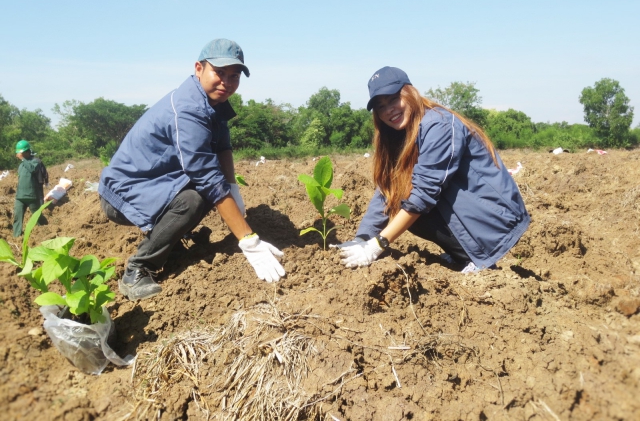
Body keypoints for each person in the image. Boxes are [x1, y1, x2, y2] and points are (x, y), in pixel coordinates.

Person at [99, 39, 285, 301]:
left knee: (210, 194)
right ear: (199, 68)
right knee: (194, 200)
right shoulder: (189, 109)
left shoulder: (213, 102)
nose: (226, 82)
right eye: (219, 72)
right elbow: (206, 176)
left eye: (234, 76)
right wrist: (249, 241)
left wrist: (233, 188)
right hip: (124, 194)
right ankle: (139, 268)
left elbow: (223, 147)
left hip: (156, 184)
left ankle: (169, 242)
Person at [332, 67, 530, 273]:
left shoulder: (439, 125)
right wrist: (362, 240)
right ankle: (462, 253)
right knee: (399, 199)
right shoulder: (401, 135)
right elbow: (386, 191)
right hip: (470, 213)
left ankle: (478, 258)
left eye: (393, 99)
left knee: (412, 205)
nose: (388, 110)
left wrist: (378, 244)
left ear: (410, 93)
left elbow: (424, 194)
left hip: (495, 218)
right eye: (381, 107)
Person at [13, 140, 49, 237]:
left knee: (37, 216)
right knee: (17, 216)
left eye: (20, 153)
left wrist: (23, 159)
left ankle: (46, 228)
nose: (18, 155)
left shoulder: (35, 161)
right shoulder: (21, 164)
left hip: (31, 196)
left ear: (26, 152)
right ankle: (16, 236)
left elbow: (32, 169)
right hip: (20, 196)